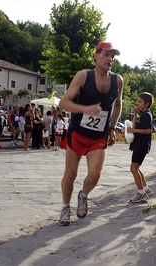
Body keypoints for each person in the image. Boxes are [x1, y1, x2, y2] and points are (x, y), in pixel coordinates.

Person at [58, 42, 123, 226]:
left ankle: (83, 195)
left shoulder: (117, 80)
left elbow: (118, 104)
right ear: (96, 56)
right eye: (106, 55)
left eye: (113, 56)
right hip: (78, 132)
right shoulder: (83, 76)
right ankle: (65, 207)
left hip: (99, 135)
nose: (110, 59)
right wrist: (86, 109)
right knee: (70, 174)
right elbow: (64, 103)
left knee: (95, 174)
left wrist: (112, 127)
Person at [127, 92, 154, 203]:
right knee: (136, 168)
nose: (138, 103)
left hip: (141, 145)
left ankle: (141, 193)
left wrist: (134, 131)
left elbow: (148, 130)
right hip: (139, 144)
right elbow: (134, 126)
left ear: (146, 104)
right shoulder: (143, 114)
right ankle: (145, 189)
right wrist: (134, 114)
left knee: (133, 168)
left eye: (140, 102)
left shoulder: (147, 115)